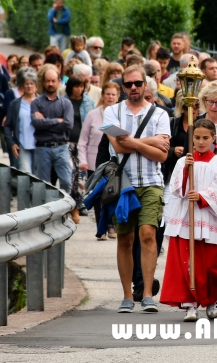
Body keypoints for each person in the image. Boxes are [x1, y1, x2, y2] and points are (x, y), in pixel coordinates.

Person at [104, 65, 171, 313]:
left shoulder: (160, 114)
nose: (134, 88)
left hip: (151, 182)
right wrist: (150, 141)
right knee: (125, 238)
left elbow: (162, 156)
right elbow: (118, 148)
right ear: (123, 87)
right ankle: (126, 295)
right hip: (123, 184)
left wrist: (132, 141)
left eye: (138, 83)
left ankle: (147, 294)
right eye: (129, 84)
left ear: (146, 85)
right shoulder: (112, 112)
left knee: (147, 234)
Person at [160, 119, 217, 321]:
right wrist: (185, 171)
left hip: (208, 217)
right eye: (196, 137)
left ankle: (211, 300)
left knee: (209, 264)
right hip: (186, 219)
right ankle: (190, 304)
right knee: (187, 263)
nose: (200, 142)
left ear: (213, 139)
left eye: (205, 138)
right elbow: (176, 189)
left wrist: (202, 196)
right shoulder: (183, 161)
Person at [78, 81, 120, 239]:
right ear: (102, 96)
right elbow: (83, 140)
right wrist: (83, 160)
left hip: (114, 161)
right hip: (93, 161)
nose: (110, 97)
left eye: (113, 94)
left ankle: (111, 226)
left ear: (117, 97)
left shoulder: (120, 115)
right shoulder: (92, 115)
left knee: (112, 192)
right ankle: (100, 228)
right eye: (107, 94)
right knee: (97, 195)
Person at [31, 66, 74, 194]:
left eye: (53, 81)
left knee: (66, 182)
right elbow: (36, 123)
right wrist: (57, 120)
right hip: (42, 147)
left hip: (61, 147)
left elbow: (68, 125)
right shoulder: (36, 103)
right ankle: (46, 212)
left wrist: (45, 121)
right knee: (43, 185)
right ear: (43, 82)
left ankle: (63, 211)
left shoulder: (66, 103)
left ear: (59, 81)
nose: (50, 84)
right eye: (48, 81)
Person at [65, 74, 95, 221]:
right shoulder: (64, 101)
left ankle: (78, 205)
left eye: (81, 86)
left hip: (83, 144)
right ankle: (71, 207)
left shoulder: (89, 102)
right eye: (76, 86)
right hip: (67, 143)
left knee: (82, 177)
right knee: (70, 175)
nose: (79, 89)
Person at [4, 68, 38, 173]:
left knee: (38, 176)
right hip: (22, 145)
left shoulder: (42, 102)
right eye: (26, 84)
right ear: (22, 86)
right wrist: (11, 143)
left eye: (32, 83)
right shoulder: (15, 104)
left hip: (39, 146)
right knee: (25, 174)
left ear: (36, 86)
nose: (29, 86)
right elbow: (7, 125)